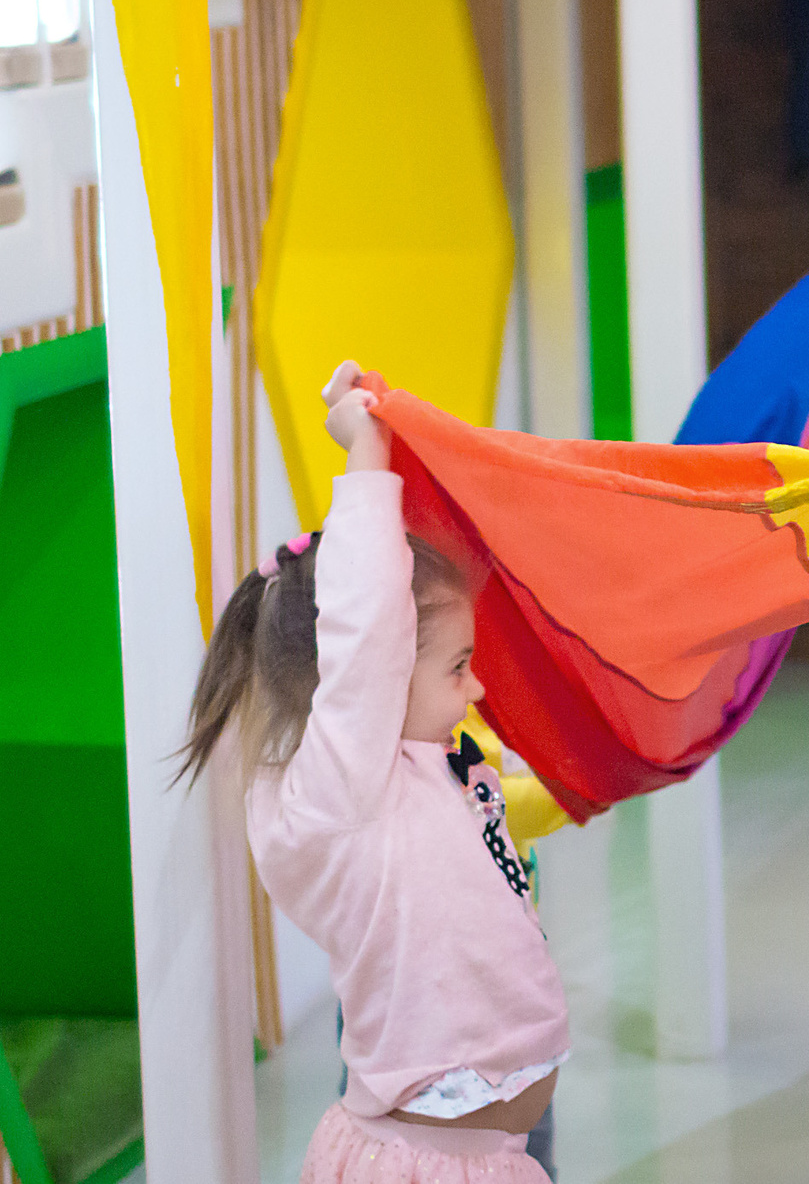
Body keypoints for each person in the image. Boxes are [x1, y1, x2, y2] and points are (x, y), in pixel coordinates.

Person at [180, 360, 566, 1183]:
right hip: (429, 1164)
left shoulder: (417, 768)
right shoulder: (339, 792)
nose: (479, 685)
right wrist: (366, 456)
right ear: (375, 674)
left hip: (483, 1151)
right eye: (459, 665)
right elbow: (365, 628)